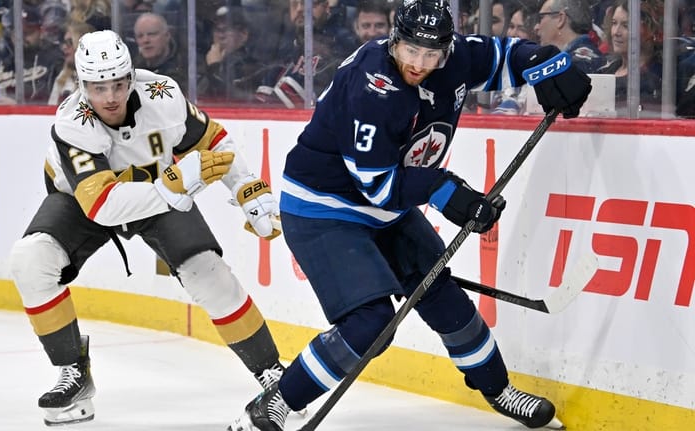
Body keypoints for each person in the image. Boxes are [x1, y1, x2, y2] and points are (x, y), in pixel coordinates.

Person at [228, 1, 591, 430]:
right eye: (410, 50)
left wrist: (548, 63)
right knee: (370, 323)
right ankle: (274, 404)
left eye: (431, 54)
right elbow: (379, 187)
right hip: (324, 207)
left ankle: (498, 390)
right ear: (394, 41)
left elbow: (503, 56)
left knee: (442, 296)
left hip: (389, 209)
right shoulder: (374, 87)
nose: (419, 63)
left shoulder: (453, 58)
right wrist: (448, 193)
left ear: (446, 49)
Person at [8, 29, 286, 426]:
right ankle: (73, 370)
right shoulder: (73, 123)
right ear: (82, 85)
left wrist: (246, 187)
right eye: (98, 87)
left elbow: (213, 140)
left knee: (208, 272)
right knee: (30, 260)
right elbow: (103, 205)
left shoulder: (162, 95)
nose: (110, 97)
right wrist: (172, 186)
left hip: (157, 191)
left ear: (131, 75)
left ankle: (275, 377)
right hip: (84, 200)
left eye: (118, 84)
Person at [595, 0, 662, 115]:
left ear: (649, 30)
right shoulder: (605, 71)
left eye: (626, 26)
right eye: (614, 23)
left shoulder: (655, 77)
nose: (616, 32)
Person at [197, 6, 265, 103]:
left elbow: (234, 99)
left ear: (243, 34)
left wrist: (214, 67)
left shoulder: (252, 68)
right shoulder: (204, 61)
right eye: (217, 29)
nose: (220, 35)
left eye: (226, 30)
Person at [534, 0, 603, 73]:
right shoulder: (576, 61)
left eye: (541, 18)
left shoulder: (574, 65)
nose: (536, 27)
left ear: (561, 19)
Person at [132, 12, 186, 87]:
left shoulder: (186, 67)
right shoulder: (131, 70)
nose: (145, 40)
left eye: (152, 34)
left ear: (167, 35)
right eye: (140, 36)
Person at [48, 20, 95, 105]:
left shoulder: (100, 77)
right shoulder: (63, 77)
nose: (64, 47)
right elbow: (51, 109)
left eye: (70, 42)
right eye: (64, 42)